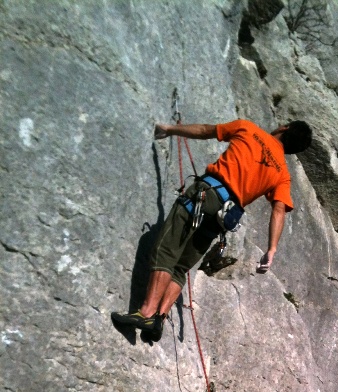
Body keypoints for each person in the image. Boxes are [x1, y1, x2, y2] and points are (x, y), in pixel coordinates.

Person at [112, 118, 312, 341]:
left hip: (205, 196)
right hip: (223, 217)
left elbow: (204, 129)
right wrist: (272, 249)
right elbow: (279, 210)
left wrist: (169, 129)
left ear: (285, 128)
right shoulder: (282, 173)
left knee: (167, 251)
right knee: (180, 267)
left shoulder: (248, 129)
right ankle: (160, 317)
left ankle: (146, 313)